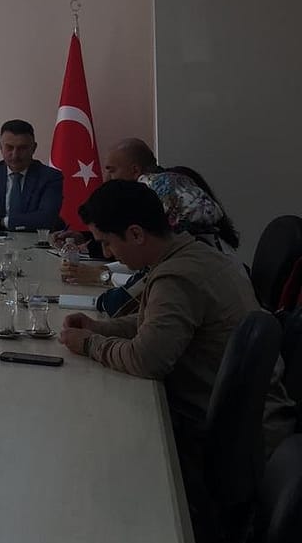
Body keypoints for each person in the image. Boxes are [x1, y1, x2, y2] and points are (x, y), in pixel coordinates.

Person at [59, 180, 292, 448]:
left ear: (136, 234)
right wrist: (99, 327)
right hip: (249, 417)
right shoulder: (194, 252)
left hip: (240, 437)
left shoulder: (177, 277)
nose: (106, 253)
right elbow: (159, 322)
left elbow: (146, 360)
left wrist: (89, 344)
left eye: (107, 243)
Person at [57, 140, 238, 313]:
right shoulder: (170, 182)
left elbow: (140, 283)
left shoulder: (153, 190)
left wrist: (103, 277)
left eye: (112, 170)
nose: (107, 179)